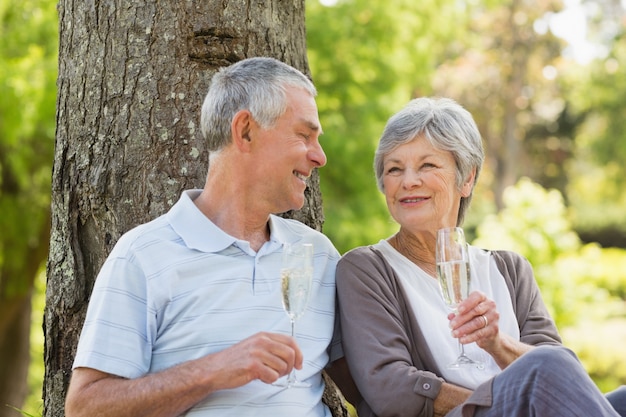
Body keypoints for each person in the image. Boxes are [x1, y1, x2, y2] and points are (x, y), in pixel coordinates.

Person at [65, 57, 356, 417]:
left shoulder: (318, 254)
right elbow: (86, 408)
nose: (320, 156)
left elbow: (375, 383)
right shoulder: (143, 256)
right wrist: (214, 371)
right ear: (245, 130)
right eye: (303, 135)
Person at [336, 96, 626, 417]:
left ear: (467, 178)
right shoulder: (367, 269)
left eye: (427, 165)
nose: (408, 181)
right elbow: (392, 389)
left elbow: (564, 377)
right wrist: (504, 400)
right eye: (394, 169)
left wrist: (497, 344)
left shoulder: (510, 270)